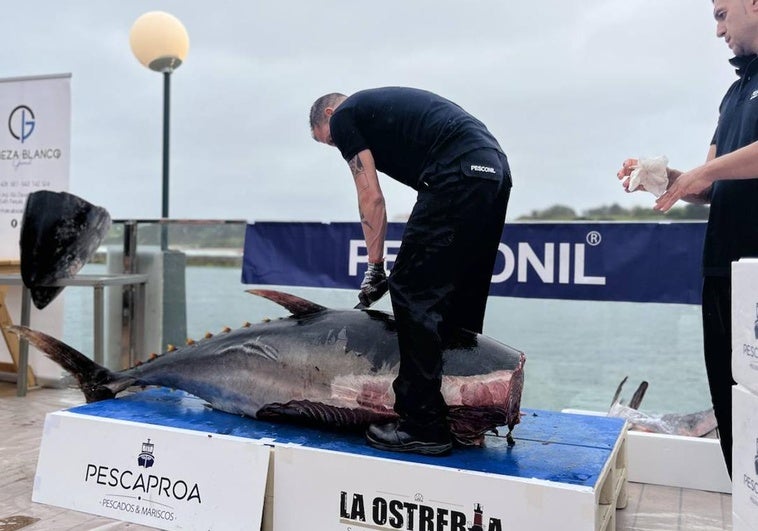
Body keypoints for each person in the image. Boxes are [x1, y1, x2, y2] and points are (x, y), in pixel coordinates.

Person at [310, 87, 512, 455]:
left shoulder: (344, 115)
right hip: (495, 172)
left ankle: (422, 425)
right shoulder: (386, 110)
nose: (337, 146)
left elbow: (370, 196)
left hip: (457, 171)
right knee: (458, 292)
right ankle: (460, 417)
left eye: (328, 142)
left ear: (327, 114)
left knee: (411, 289)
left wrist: (375, 267)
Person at [616, 0, 758, 478]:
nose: (718, 31)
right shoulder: (733, 94)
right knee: (732, 403)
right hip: (720, 271)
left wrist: (700, 170)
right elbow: (710, 186)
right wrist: (663, 178)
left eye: (722, 14)